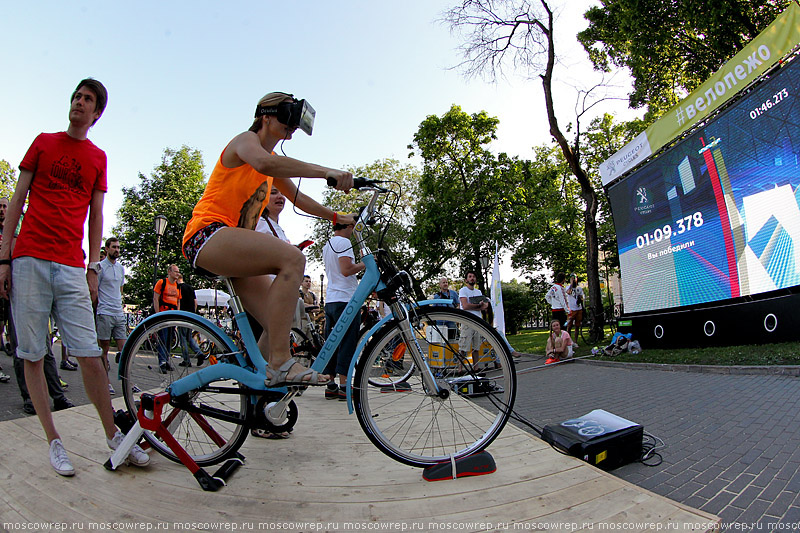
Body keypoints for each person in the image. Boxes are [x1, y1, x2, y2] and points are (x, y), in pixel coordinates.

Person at [0, 78, 149, 476]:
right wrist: (4, 258)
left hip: (71, 263)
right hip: (29, 257)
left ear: (96, 113)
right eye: (76, 97)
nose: (79, 103)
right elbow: (17, 199)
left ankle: (112, 435)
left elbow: (97, 216)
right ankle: (54, 441)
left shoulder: (98, 157)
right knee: (32, 352)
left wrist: (94, 268)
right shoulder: (43, 142)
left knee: (89, 354)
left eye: (87, 100)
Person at [182, 91, 354, 390]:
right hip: (206, 235)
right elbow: (264, 164)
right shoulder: (246, 142)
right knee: (293, 258)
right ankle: (280, 363)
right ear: (265, 116)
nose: (291, 127)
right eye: (286, 117)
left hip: (231, 248)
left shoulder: (273, 163)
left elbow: (298, 198)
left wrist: (336, 216)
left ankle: (255, 395)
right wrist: (326, 171)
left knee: (279, 321)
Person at [322, 218, 365, 400]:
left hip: (331, 299)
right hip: (346, 299)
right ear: (348, 226)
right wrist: (367, 262)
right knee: (347, 342)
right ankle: (344, 385)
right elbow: (346, 269)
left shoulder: (328, 244)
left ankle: (330, 384)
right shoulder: (344, 242)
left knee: (332, 342)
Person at [96, 237, 126, 394]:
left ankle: (127, 381)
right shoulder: (100, 267)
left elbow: (120, 289)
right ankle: (105, 381)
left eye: (119, 247)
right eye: (114, 247)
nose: (117, 250)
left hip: (118, 312)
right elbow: (95, 290)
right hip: (104, 312)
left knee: (125, 348)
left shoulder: (121, 268)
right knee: (104, 350)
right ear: (107, 249)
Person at [152, 264, 181, 372]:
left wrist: (177, 314)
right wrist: (157, 314)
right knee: (162, 339)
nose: (177, 274)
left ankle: (166, 360)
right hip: (163, 315)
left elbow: (178, 301)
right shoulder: (162, 283)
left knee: (169, 340)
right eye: (175, 271)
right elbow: (156, 298)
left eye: (178, 272)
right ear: (169, 272)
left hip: (172, 316)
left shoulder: (178, 286)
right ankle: (162, 362)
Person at [458, 271, 489, 371]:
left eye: (474, 276)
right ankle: (459, 369)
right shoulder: (463, 290)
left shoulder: (478, 292)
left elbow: (485, 306)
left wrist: (479, 307)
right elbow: (465, 306)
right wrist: (478, 306)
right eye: (470, 276)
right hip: (467, 321)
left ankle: (476, 368)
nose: (472, 278)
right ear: (466, 280)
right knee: (463, 346)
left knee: (476, 347)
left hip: (477, 322)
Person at [175, 273, 204, 367]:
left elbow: (178, 302)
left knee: (182, 338)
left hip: (182, 315)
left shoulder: (178, 288)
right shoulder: (190, 288)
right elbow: (195, 302)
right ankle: (199, 353)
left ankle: (186, 360)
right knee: (189, 337)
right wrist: (193, 313)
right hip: (190, 315)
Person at [565, 273, 584, 347]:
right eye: (572, 278)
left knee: (577, 325)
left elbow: (582, 297)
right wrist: (571, 284)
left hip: (578, 309)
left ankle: (575, 341)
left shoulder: (579, 288)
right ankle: (569, 341)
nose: (573, 280)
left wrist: (580, 298)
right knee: (569, 326)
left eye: (574, 278)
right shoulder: (567, 287)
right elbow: (568, 292)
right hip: (571, 309)